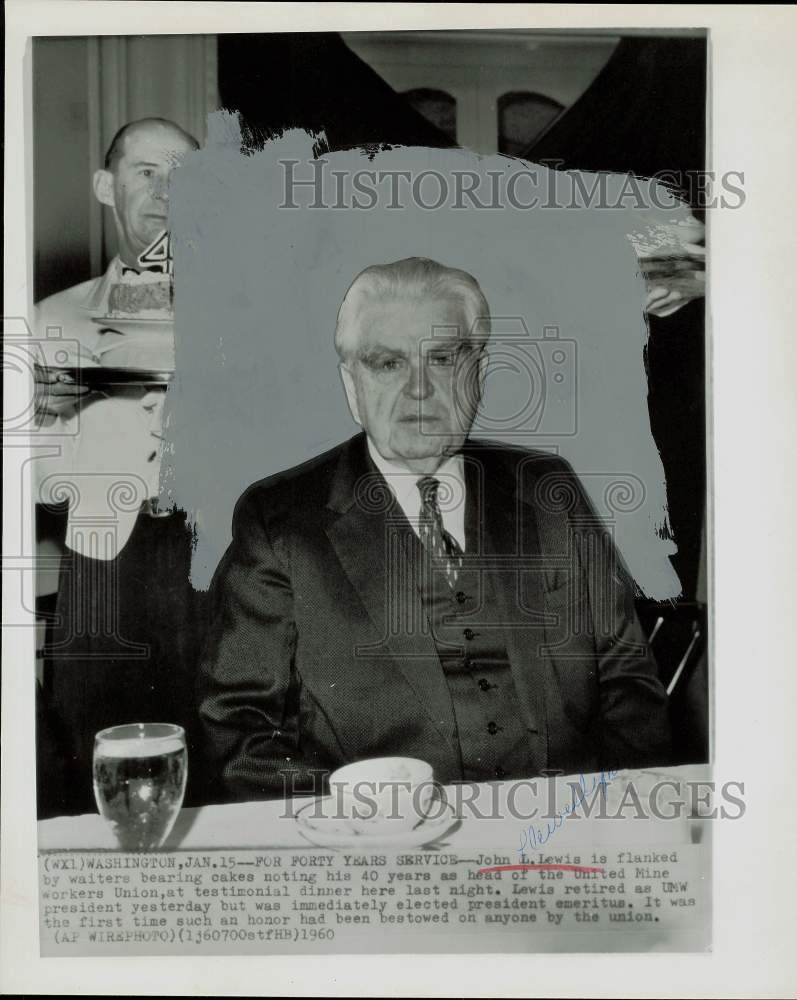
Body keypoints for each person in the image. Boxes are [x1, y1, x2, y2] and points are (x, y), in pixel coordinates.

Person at [199, 256, 670, 801]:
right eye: (387, 364)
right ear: (351, 383)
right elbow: (236, 733)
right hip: (379, 857)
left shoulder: (549, 490)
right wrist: (361, 827)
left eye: (443, 359)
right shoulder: (279, 522)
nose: (419, 390)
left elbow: (628, 688)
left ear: (479, 375)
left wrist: (626, 826)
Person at [32, 118, 207, 816]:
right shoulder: (49, 320)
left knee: (223, 765)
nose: (168, 193)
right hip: (103, 573)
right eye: (147, 172)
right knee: (90, 774)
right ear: (106, 187)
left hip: (219, 565)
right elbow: (43, 491)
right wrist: (44, 417)